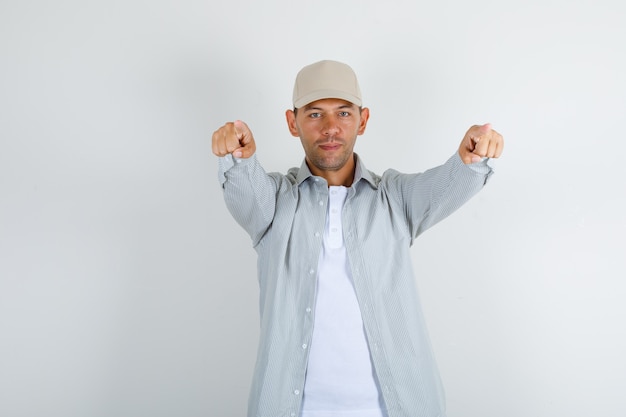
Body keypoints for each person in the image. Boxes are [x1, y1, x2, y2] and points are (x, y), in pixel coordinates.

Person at [212, 60, 503, 417]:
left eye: (344, 113)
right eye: (315, 114)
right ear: (293, 123)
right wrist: (238, 156)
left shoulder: (394, 198)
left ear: (362, 121)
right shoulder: (274, 203)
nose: (331, 128)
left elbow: (447, 183)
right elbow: (244, 189)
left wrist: (472, 159)